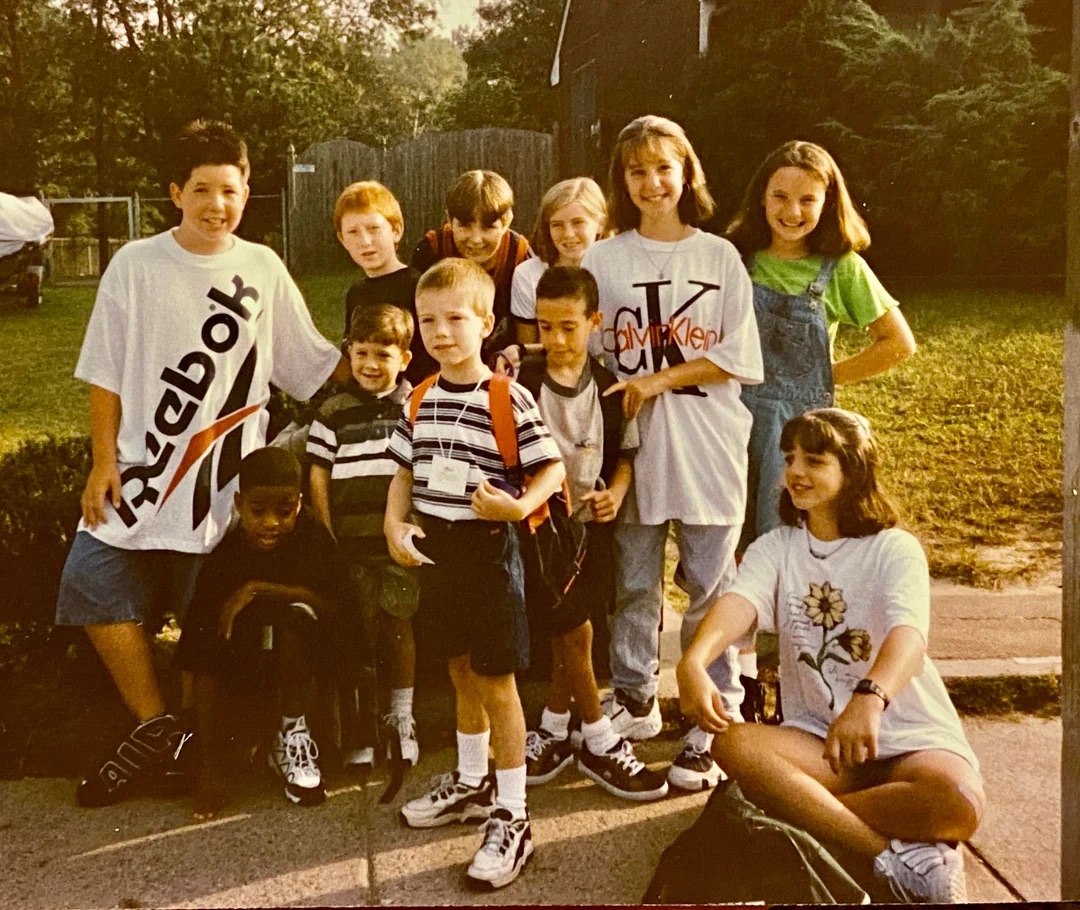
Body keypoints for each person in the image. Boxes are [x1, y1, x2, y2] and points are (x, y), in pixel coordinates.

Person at [55, 119, 348, 808]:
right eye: (202, 190)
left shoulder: (261, 268)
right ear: (173, 194)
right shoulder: (135, 264)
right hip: (140, 470)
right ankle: (159, 730)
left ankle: (197, 739)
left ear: (248, 191)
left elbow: (312, 366)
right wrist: (103, 461)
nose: (218, 204)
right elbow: (102, 373)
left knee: (207, 620)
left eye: (231, 189)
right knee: (91, 584)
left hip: (223, 492)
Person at [677, 408, 983, 904]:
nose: (795, 472)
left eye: (815, 460)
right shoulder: (776, 547)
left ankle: (801, 807)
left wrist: (870, 699)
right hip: (823, 745)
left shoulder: (894, 548)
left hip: (908, 738)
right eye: (790, 459)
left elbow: (909, 634)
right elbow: (739, 604)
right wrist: (693, 661)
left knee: (959, 803)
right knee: (733, 747)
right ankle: (892, 857)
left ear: (854, 471)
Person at [580, 115, 763, 792]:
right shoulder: (604, 258)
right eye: (637, 171)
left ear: (687, 172)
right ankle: (634, 700)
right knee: (634, 583)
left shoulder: (718, 257)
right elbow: (590, 354)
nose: (652, 182)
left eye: (664, 167)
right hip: (634, 448)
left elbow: (738, 357)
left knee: (710, 586)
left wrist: (660, 378)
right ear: (621, 182)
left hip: (709, 441)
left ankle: (707, 715)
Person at [385, 258, 565, 890]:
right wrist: (394, 523)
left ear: (486, 323)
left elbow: (552, 469)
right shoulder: (420, 395)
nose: (440, 332)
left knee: (496, 681)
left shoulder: (505, 396)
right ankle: (470, 780)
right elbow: (404, 471)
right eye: (427, 320)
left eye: (455, 319)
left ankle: (513, 814)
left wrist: (518, 505)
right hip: (439, 552)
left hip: (489, 551)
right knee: (459, 667)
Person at [518, 265, 667, 802]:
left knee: (575, 632)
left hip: (591, 527)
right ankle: (598, 740)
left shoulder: (609, 388)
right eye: (544, 327)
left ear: (593, 323)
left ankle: (557, 727)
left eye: (568, 327)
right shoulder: (522, 384)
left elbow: (625, 456)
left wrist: (617, 493)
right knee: (572, 632)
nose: (554, 340)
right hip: (541, 528)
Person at [726, 140, 916, 546]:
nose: (792, 212)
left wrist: (826, 379)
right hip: (731, 419)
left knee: (787, 540)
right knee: (726, 544)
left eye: (807, 200)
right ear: (761, 197)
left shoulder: (842, 268)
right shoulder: (736, 258)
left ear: (828, 203)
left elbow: (898, 342)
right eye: (780, 197)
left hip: (799, 437)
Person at [175, 447, 352, 816]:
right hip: (248, 667)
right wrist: (209, 764)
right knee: (213, 639)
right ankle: (219, 757)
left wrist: (259, 589)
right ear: (239, 503)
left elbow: (337, 606)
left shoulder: (313, 538)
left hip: (307, 656)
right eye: (258, 510)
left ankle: (292, 733)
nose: (271, 522)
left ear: (300, 503)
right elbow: (197, 652)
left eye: (284, 511)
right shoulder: (226, 556)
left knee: (293, 623)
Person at [307, 303, 419, 772]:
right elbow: (318, 475)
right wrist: (327, 533)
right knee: (358, 635)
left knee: (398, 629)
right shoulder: (333, 411)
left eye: (383, 355)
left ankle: (402, 717)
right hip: (349, 546)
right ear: (349, 352)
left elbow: (420, 470)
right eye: (362, 353)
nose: (371, 365)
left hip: (396, 544)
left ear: (405, 360)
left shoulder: (415, 406)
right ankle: (361, 724)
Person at [410, 170, 533, 359]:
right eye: (465, 226)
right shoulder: (432, 250)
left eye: (488, 226)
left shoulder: (520, 256)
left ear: (507, 221)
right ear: (450, 220)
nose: (476, 239)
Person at [336, 180, 437, 383]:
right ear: (342, 239)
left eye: (374, 228)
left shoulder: (420, 287)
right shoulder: (356, 294)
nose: (365, 241)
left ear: (396, 230)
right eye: (353, 232)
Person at [509, 177, 608, 345]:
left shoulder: (619, 269)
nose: (568, 234)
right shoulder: (528, 275)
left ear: (601, 224)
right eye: (557, 225)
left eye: (578, 222)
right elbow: (529, 348)